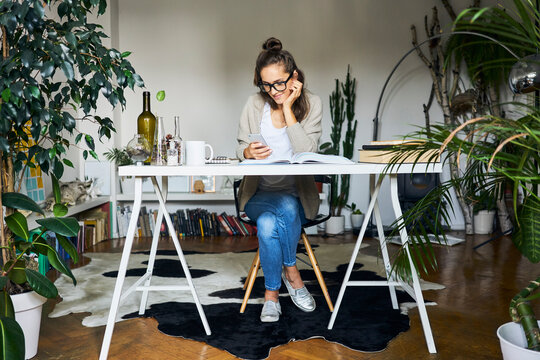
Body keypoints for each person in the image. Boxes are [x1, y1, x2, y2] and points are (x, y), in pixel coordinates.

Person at [236, 37, 322, 322]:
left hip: (298, 200)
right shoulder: (253, 104)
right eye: (266, 85)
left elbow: (307, 152)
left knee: (269, 222)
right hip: (258, 196)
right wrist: (247, 151)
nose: (273, 91)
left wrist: (288, 108)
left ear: (294, 77)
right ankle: (293, 273)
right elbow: (239, 148)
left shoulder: (312, 104)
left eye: (279, 83)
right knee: (274, 209)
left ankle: (271, 295)